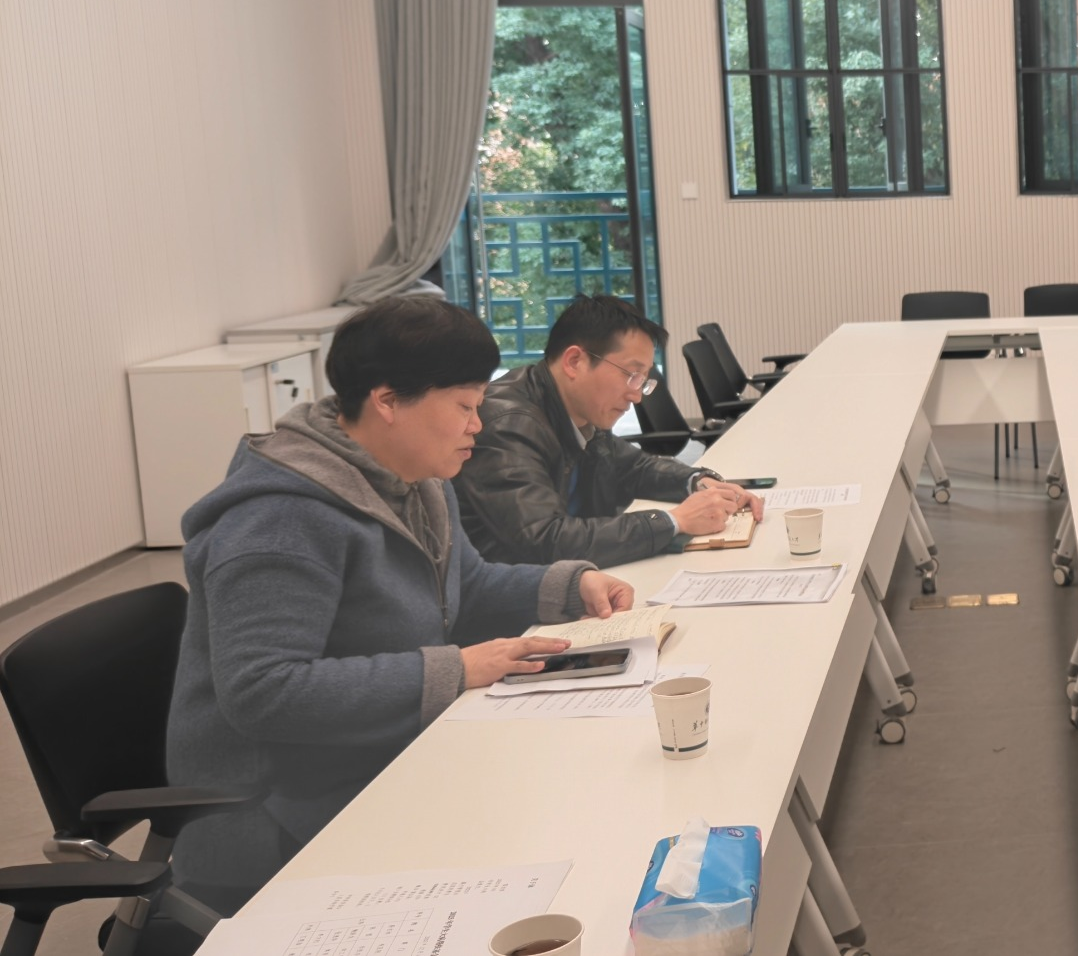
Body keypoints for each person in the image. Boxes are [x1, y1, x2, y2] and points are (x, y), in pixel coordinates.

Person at [169, 297, 636, 909]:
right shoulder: (279, 519)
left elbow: (465, 586)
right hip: (280, 817)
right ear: (388, 402)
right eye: (465, 407)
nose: (478, 425)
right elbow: (264, 690)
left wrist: (571, 586)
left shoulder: (416, 479)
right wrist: (456, 669)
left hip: (383, 758)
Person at [456, 294, 759, 567]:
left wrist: (698, 482)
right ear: (574, 361)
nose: (636, 395)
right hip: (522, 600)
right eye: (631, 375)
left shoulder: (582, 410)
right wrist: (674, 521)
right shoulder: (507, 424)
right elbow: (546, 540)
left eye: (643, 380)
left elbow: (635, 467)